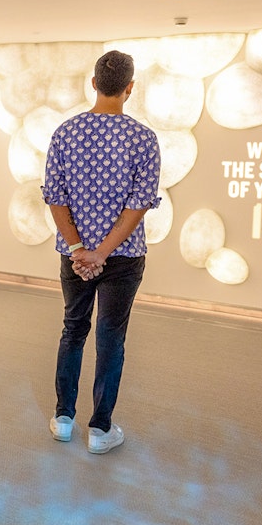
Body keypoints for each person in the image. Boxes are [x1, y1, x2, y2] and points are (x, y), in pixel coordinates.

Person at [41, 50, 161, 454]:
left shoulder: (65, 133)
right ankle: (100, 429)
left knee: (73, 329)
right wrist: (103, 252)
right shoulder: (144, 138)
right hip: (123, 258)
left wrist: (80, 249)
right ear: (129, 88)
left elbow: (54, 197)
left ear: (93, 84)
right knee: (111, 337)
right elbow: (140, 204)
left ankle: (62, 418)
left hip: (74, 256)